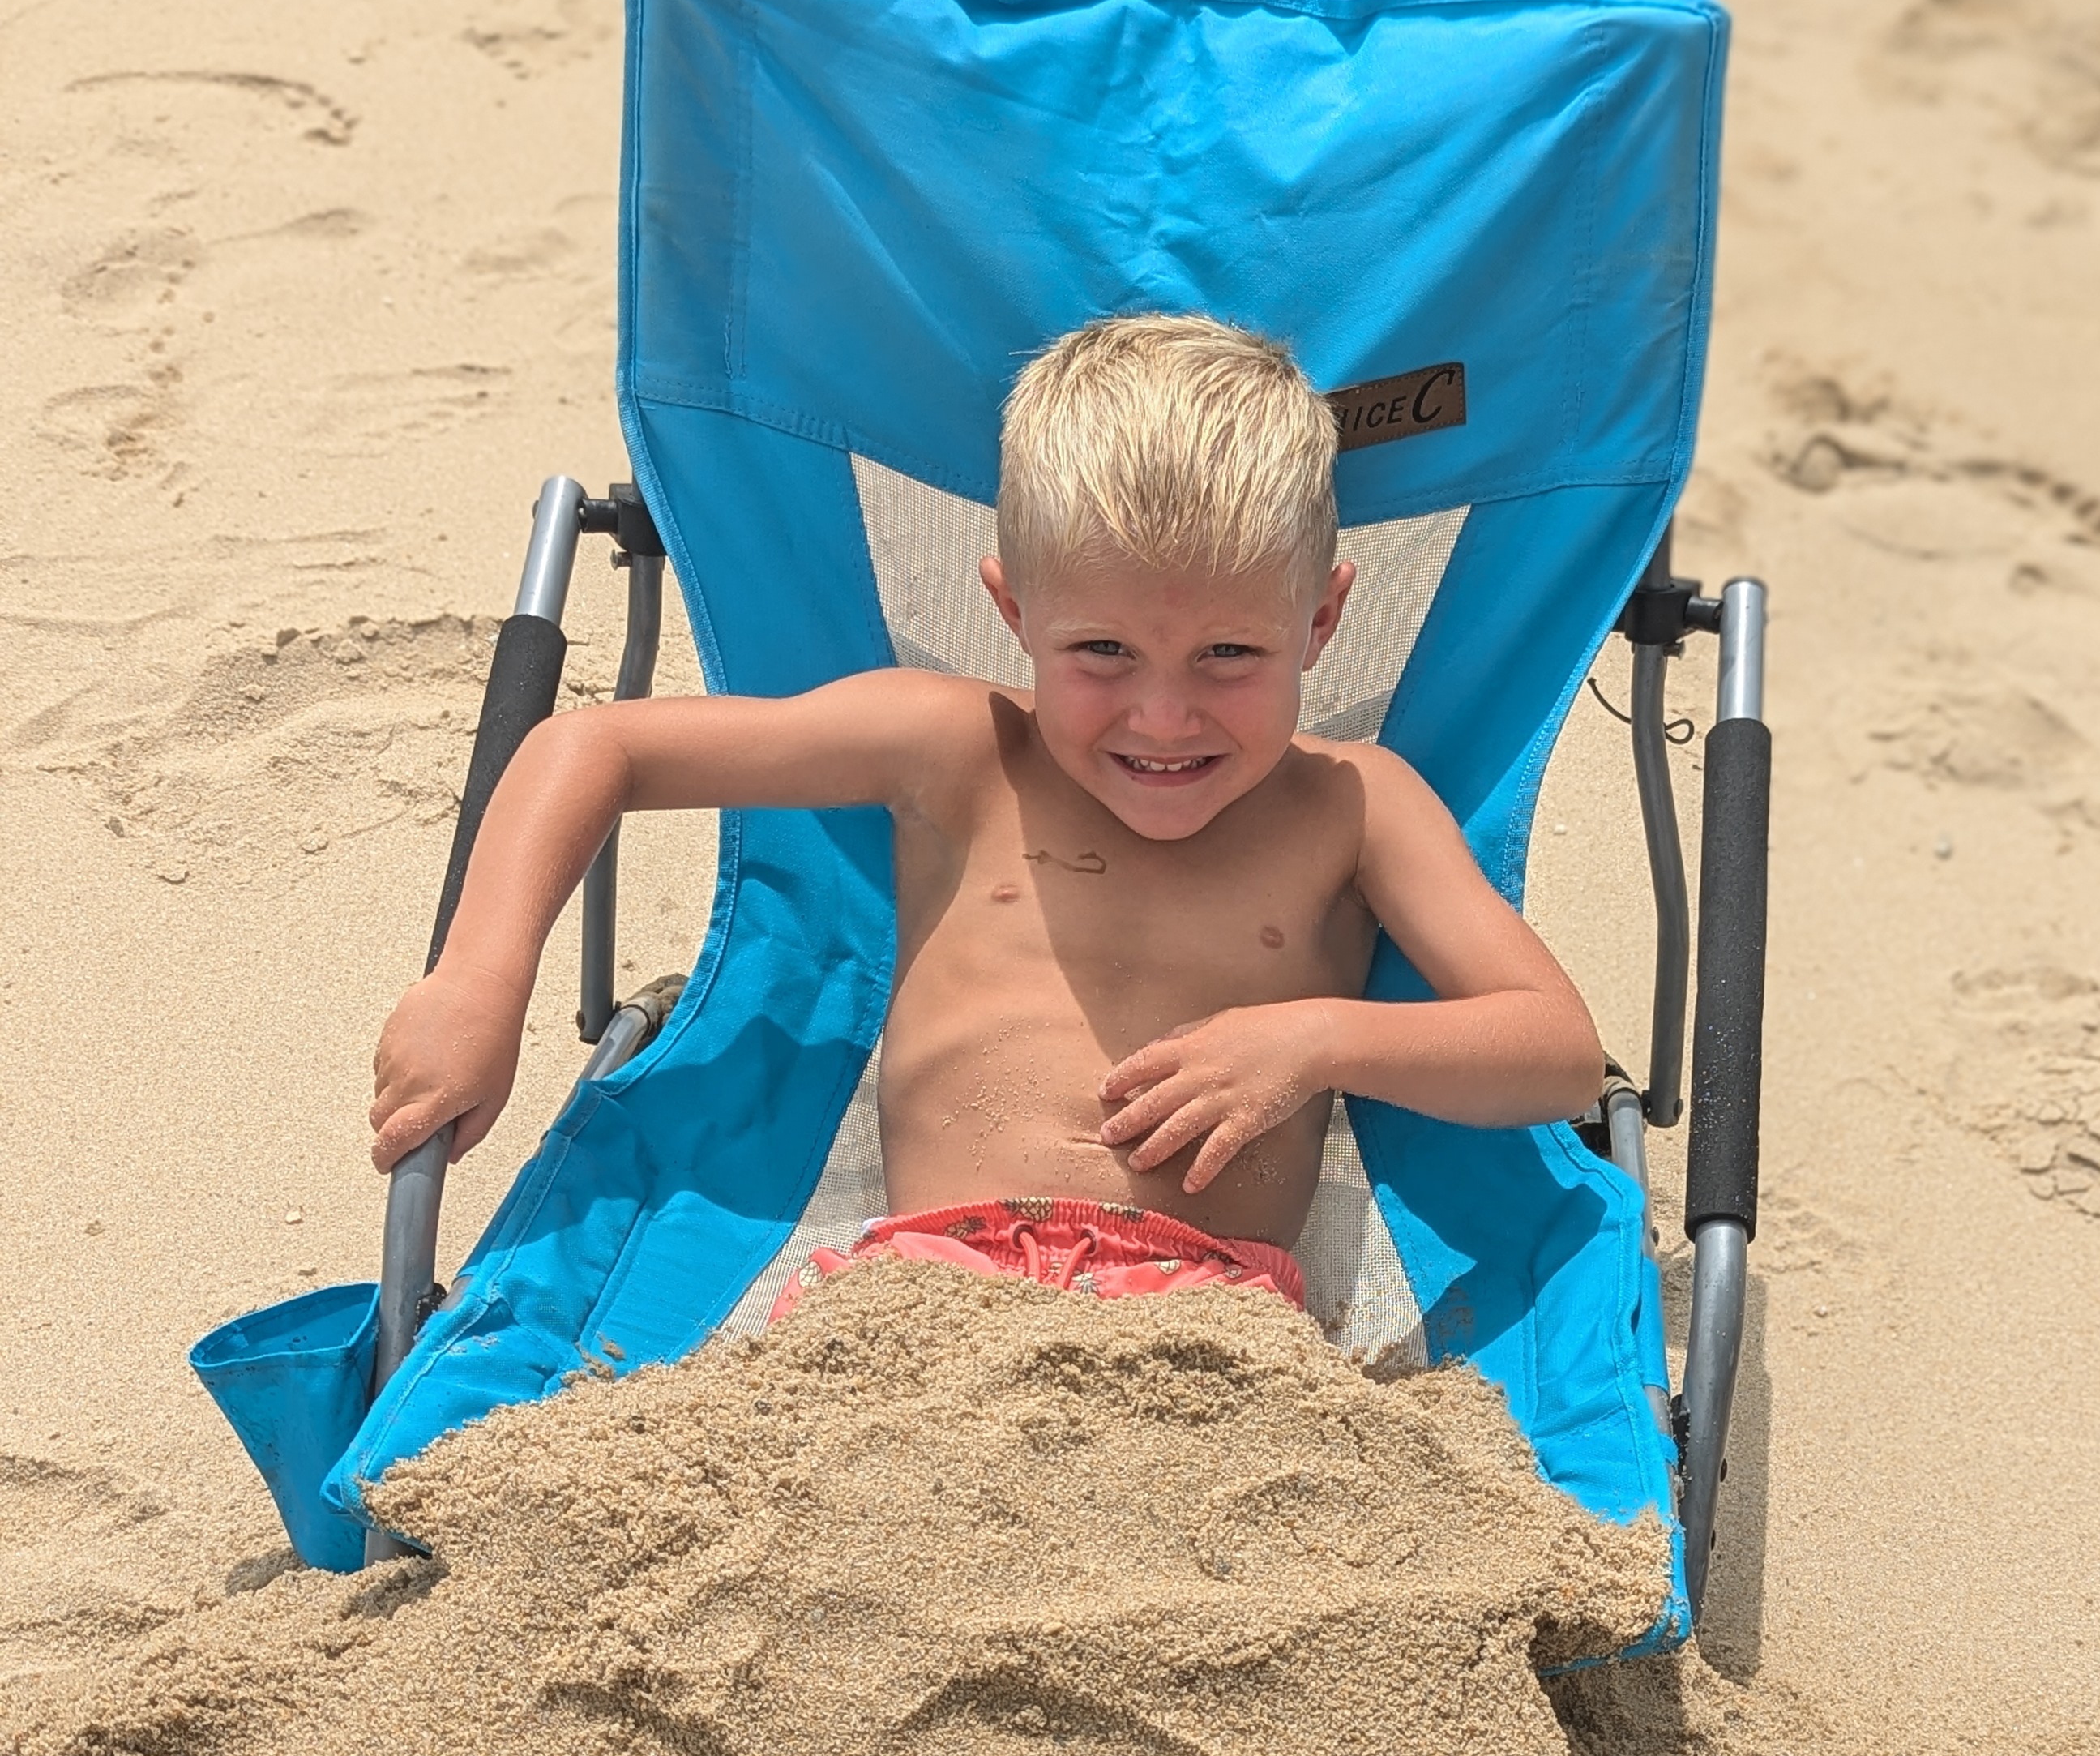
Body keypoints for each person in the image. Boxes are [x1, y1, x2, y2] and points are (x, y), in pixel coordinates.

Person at [368, 313, 1602, 1313]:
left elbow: (1553, 1053)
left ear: (1321, 621)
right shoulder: (956, 748)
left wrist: (1319, 1043)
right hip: (922, 1297)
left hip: (1208, 1322)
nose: (1163, 716)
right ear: (1014, 613)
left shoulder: (1353, 805)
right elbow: (598, 747)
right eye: (1102, 651)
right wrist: (480, 980)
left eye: (1230, 654)